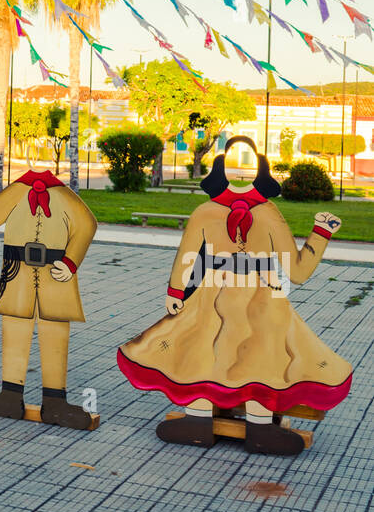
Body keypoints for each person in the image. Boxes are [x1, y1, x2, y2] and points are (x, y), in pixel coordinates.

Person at [117, 136, 352, 455]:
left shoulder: (266, 215)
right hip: (216, 294)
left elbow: (295, 270)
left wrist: (321, 233)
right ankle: (200, 420)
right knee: (203, 350)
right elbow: (189, 252)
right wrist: (175, 291)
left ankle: (259, 425)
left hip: (257, 298)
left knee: (256, 354)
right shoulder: (210, 213)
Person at [0, 167, 97, 429]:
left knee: (55, 334)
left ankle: (55, 401)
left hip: (55, 276)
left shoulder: (63, 195)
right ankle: (10, 395)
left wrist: (71, 261)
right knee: (15, 332)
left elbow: (87, 225)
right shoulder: (16, 192)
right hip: (17, 274)